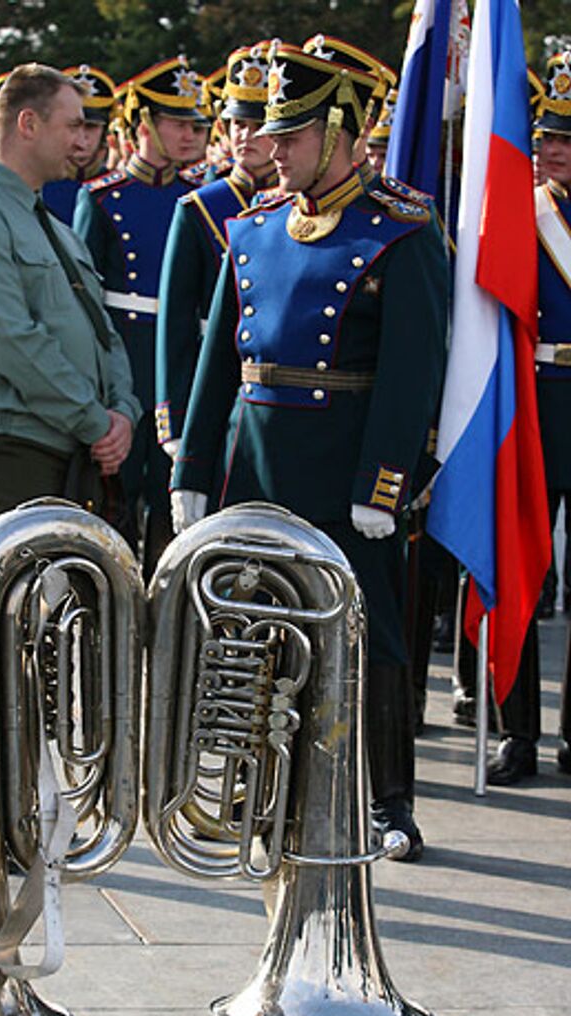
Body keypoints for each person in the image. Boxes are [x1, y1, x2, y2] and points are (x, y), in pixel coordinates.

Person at [170, 39, 449, 860]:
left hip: (347, 464)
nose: (271, 149)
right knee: (255, 629)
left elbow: (410, 370)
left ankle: (390, 799)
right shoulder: (251, 227)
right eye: (270, 133)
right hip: (257, 462)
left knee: (373, 634)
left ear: (339, 133)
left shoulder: (401, 228)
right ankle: (263, 788)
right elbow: (222, 355)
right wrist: (192, 465)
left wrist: (385, 480)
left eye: (288, 136)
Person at [0, 63, 141, 534]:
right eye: (72, 125)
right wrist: (95, 421)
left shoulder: (50, 224)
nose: (82, 140)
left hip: (71, 444)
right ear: (28, 124)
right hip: (13, 450)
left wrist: (123, 410)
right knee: (16, 604)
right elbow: (12, 342)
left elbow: (101, 329)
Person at [73, 56, 205, 578]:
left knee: (171, 491)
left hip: (179, 364)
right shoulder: (102, 199)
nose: (192, 134)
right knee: (118, 495)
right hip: (123, 360)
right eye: (178, 122)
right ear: (143, 124)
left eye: (198, 125)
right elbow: (84, 302)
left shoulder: (199, 199)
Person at [489, 52, 571, 784]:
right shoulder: (521, 211)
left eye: (567, 139)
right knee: (523, 570)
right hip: (537, 399)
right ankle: (520, 734)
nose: (551, 149)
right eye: (547, 135)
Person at [155, 42, 277, 454]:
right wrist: (173, 420)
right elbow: (176, 324)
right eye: (237, 124)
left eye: (259, 124)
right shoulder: (199, 208)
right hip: (210, 383)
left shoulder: (298, 209)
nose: (245, 135)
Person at [42, 65, 117, 225]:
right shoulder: (37, 188)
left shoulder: (116, 191)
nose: (81, 137)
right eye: (73, 126)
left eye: (91, 127)